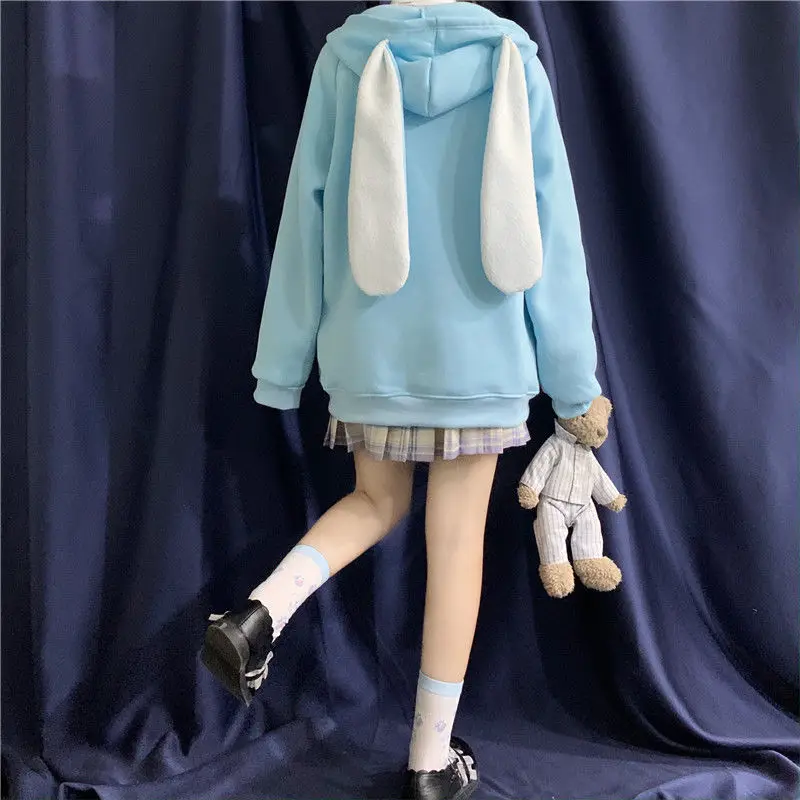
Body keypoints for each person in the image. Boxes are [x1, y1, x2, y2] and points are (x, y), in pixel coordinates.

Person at [201, 1, 601, 797]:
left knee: (373, 502)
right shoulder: (513, 60)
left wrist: (282, 365)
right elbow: (554, 232)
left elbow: (305, 218)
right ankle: (429, 763)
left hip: (371, 348)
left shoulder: (345, 57)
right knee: (455, 545)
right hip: (481, 355)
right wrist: (574, 384)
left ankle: (260, 614)